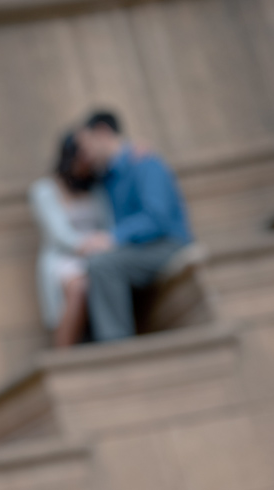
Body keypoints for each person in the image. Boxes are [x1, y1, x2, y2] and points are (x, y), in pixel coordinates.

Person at [76, 110, 193, 341]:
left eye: (86, 145)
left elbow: (158, 218)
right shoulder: (105, 177)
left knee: (102, 264)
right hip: (138, 251)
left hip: (167, 244)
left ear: (102, 133)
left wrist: (112, 238)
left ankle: (117, 346)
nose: (84, 154)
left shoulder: (145, 163)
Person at [30, 132, 112, 348]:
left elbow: (107, 224)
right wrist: (92, 243)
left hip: (99, 252)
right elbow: (60, 236)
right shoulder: (45, 190)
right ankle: (64, 353)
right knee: (78, 288)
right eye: (82, 155)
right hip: (65, 258)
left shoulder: (97, 187)